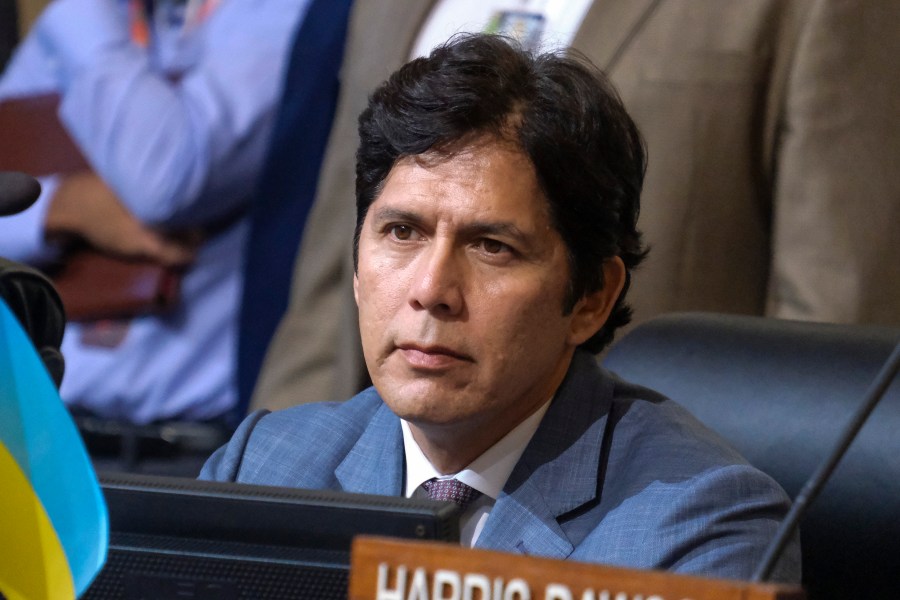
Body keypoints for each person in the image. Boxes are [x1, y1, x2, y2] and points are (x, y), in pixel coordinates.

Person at [202, 35, 799, 582]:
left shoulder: (698, 526)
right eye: (402, 232)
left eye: (492, 247)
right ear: (357, 265)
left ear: (591, 297)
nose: (430, 289)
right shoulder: (262, 468)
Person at [252, 0, 900, 412]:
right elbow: (334, 269)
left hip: (656, 501)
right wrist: (274, 479)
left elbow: (833, 307)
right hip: (377, 489)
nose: (432, 285)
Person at [0, 0, 319, 425]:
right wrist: (63, 208)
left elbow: (165, 180)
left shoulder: (283, 14)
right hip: (38, 427)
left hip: (188, 442)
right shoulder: (112, 14)